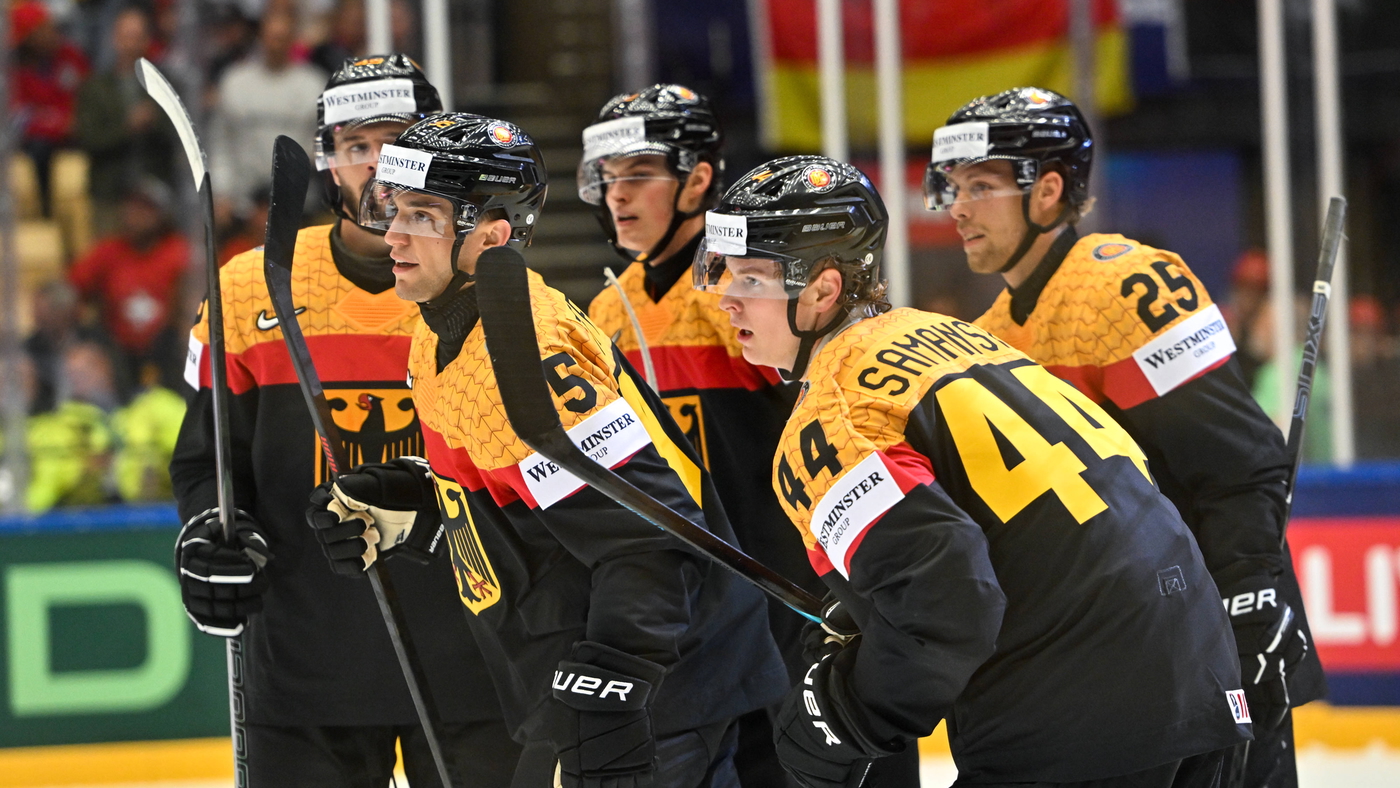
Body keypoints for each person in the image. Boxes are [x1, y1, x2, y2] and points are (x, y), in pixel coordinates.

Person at [698, 155, 1251, 787]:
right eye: (724, 273)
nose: (727, 301)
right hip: (1200, 670)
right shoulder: (953, 337)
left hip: (1071, 706)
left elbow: (946, 601)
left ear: (823, 290)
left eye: (751, 279)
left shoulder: (833, 410)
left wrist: (842, 717)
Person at [308, 111, 787, 787]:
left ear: (491, 234)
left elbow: (650, 538)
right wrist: (416, 502)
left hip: (657, 686)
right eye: (394, 210)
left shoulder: (529, 350)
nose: (393, 234)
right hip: (582, 674)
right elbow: (525, 502)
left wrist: (608, 695)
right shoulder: (442, 328)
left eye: (422, 216)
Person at [925, 87, 1324, 787]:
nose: (958, 208)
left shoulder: (1126, 288)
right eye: (954, 188)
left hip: (1206, 640)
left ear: (1048, 190)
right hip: (1112, 660)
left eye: (980, 186)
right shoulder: (984, 339)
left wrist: (1251, 599)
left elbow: (1238, 467)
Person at [169, 56, 520, 788]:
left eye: (397, 143)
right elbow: (207, 461)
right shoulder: (250, 287)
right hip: (303, 670)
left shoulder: (494, 286)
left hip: (476, 666)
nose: (379, 167)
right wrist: (213, 529)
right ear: (327, 161)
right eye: (356, 146)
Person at [580, 84, 861, 787]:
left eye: (639, 172)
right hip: (696, 603)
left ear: (698, 178)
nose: (618, 193)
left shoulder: (746, 291)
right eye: (609, 176)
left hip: (793, 586)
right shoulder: (605, 311)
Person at [68, 177, 189, 391]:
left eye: (145, 208)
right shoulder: (108, 251)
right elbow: (70, 289)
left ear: (163, 214)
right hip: (116, 349)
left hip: (168, 348)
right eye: (131, 206)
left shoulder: (179, 252)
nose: (135, 214)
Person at [207, 5, 325, 223]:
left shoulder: (313, 85)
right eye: (272, 37)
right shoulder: (235, 82)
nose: (276, 43)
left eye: (282, 37)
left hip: (298, 204)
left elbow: (321, 148)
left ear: (293, 39)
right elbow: (221, 144)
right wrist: (221, 192)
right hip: (242, 204)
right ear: (260, 36)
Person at [73, 6, 178, 234]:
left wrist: (154, 121)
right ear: (115, 39)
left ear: (147, 40)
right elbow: (88, 140)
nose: (132, 44)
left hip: (156, 193)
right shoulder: (95, 88)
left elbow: (179, 138)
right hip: (110, 194)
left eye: (138, 37)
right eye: (126, 37)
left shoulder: (165, 86)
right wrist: (128, 126)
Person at [10, 0, 89, 212]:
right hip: (39, 141)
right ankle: (45, 213)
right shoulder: (14, 72)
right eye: (42, 29)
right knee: (39, 148)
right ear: (28, 38)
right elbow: (19, 120)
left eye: (50, 26)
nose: (52, 33)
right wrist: (56, 124)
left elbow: (88, 98)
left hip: (75, 134)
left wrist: (71, 120)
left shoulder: (71, 57)